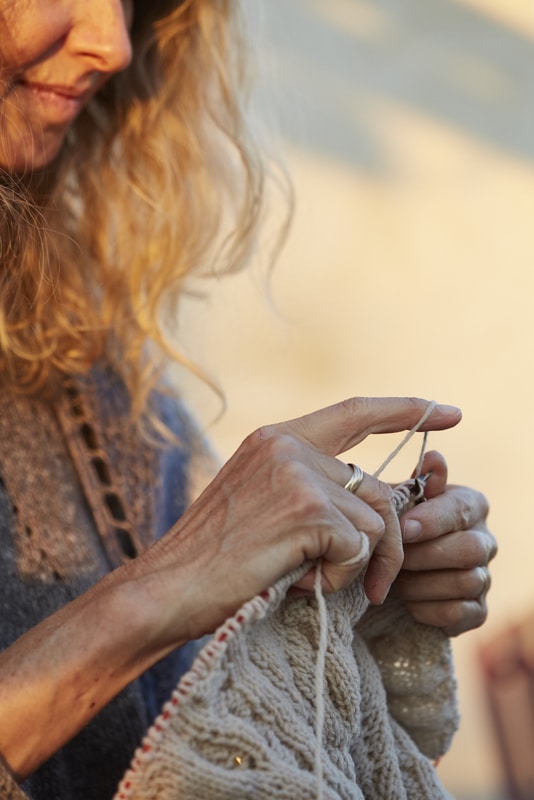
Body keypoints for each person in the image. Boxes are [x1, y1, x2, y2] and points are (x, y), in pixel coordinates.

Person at [0, 2, 496, 799]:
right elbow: (187, 577)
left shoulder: (82, 348)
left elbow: (185, 724)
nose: (115, 44)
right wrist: (166, 586)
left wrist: (347, 597)